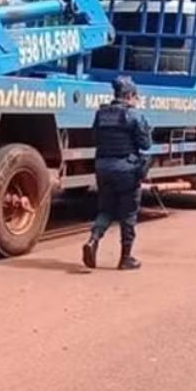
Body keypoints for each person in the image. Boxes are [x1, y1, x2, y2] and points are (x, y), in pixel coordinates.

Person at [82, 76, 152, 271]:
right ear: (129, 95)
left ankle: (93, 240)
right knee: (128, 214)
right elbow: (146, 144)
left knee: (106, 210)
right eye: (135, 96)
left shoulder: (101, 114)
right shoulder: (134, 115)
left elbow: (95, 137)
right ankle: (125, 258)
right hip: (126, 170)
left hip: (103, 168)